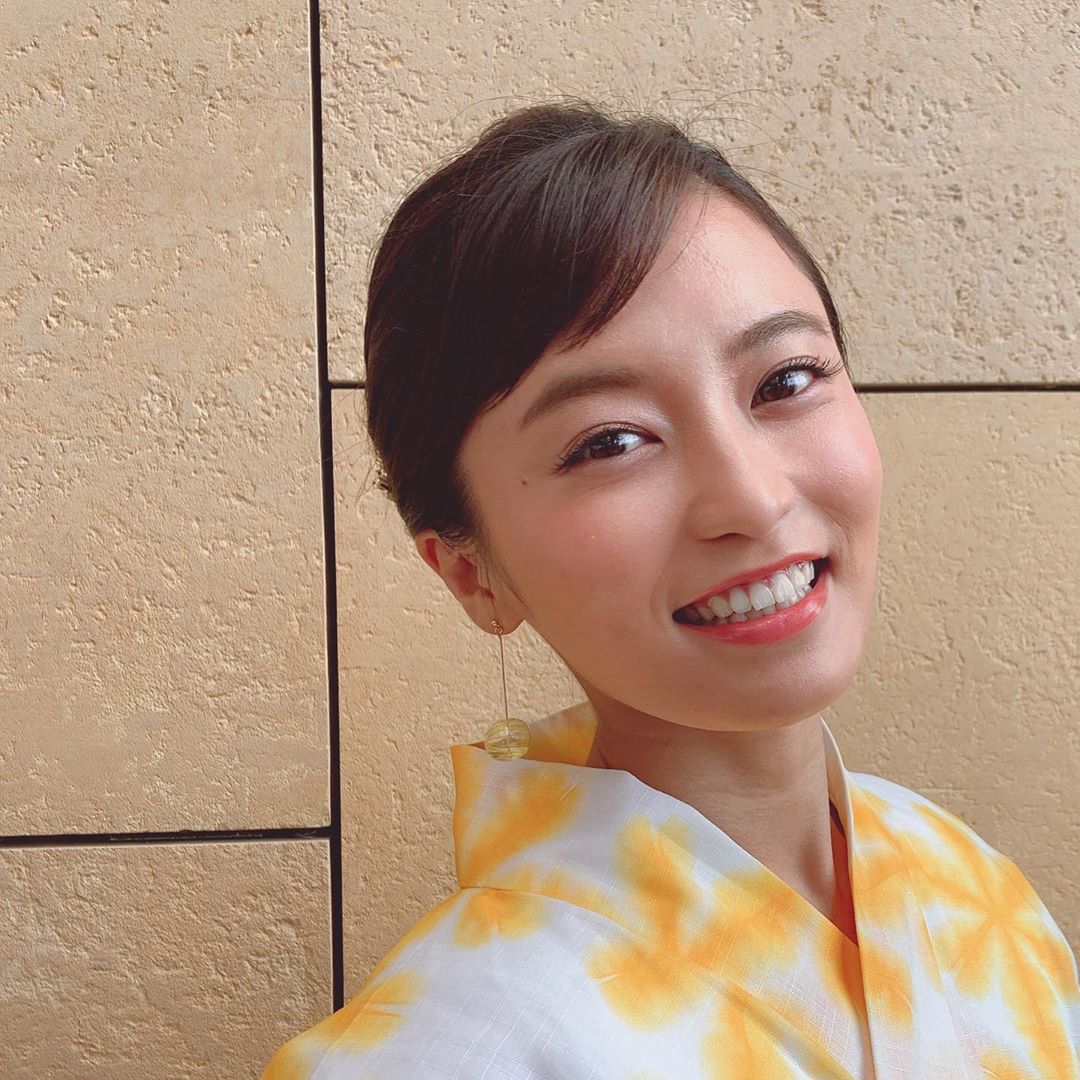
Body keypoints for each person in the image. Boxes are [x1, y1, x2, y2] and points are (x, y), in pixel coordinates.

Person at [262, 99, 1080, 1078]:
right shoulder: (440, 1049)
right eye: (610, 441)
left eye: (785, 381)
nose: (753, 497)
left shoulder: (971, 885)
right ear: (471, 573)